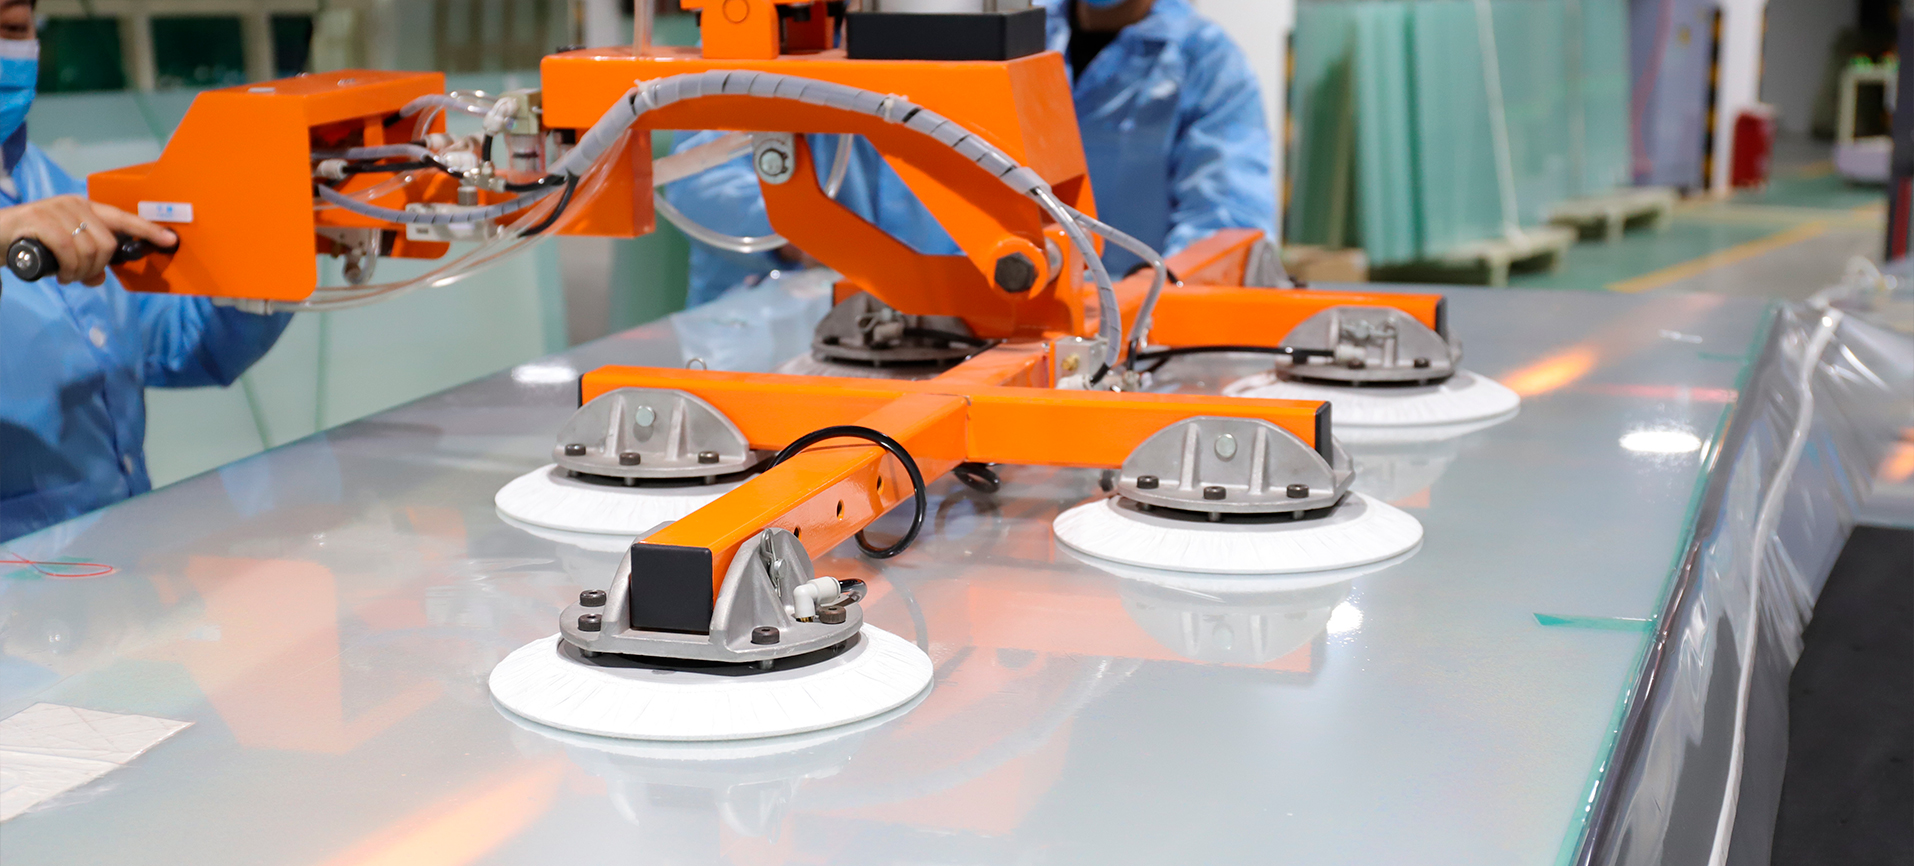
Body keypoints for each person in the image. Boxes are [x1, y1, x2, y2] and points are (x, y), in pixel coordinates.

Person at [664, 0, 1276, 306]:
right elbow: (699, 175)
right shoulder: (987, 29)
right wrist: (818, 235)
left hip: (1077, 330)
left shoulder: (1203, 63)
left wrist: (1124, 308)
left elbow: (1227, 229)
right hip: (854, 325)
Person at [0, 0, 291, 543]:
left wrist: (278, 231)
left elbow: (174, 343)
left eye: (12, 27)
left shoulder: (48, 184)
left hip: (123, 558)